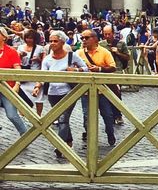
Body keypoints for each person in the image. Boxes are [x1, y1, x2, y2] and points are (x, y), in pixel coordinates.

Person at [35, 31, 89, 161]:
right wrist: (38, 86)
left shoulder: (72, 56)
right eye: (50, 41)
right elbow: (43, 75)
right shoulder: (47, 59)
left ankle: (59, 146)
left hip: (68, 91)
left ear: (62, 42)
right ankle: (68, 141)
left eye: (55, 41)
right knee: (62, 118)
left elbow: (85, 68)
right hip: (53, 93)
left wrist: (76, 70)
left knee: (63, 119)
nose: (52, 44)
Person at [78, 30, 118, 149]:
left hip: (102, 90)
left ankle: (110, 133)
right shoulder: (79, 53)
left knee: (108, 115)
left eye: (86, 38)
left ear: (95, 39)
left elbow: (113, 67)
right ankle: (91, 136)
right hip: (85, 91)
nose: (84, 40)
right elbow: (72, 66)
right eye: (82, 38)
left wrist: (99, 69)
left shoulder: (104, 52)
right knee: (87, 116)